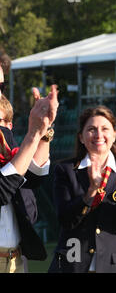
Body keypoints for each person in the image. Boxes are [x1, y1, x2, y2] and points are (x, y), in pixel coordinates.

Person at [48, 106, 116, 273]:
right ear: (81, 137)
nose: (99, 135)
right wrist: (91, 191)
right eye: (91, 129)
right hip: (71, 266)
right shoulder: (65, 170)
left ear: (114, 135)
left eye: (105, 129)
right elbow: (65, 219)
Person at [0, 48, 58, 273]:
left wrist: (44, 131)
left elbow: (32, 178)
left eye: (2, 87)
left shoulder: (3, 136)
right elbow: (2, 189)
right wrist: (33, 134)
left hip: (15, 259)